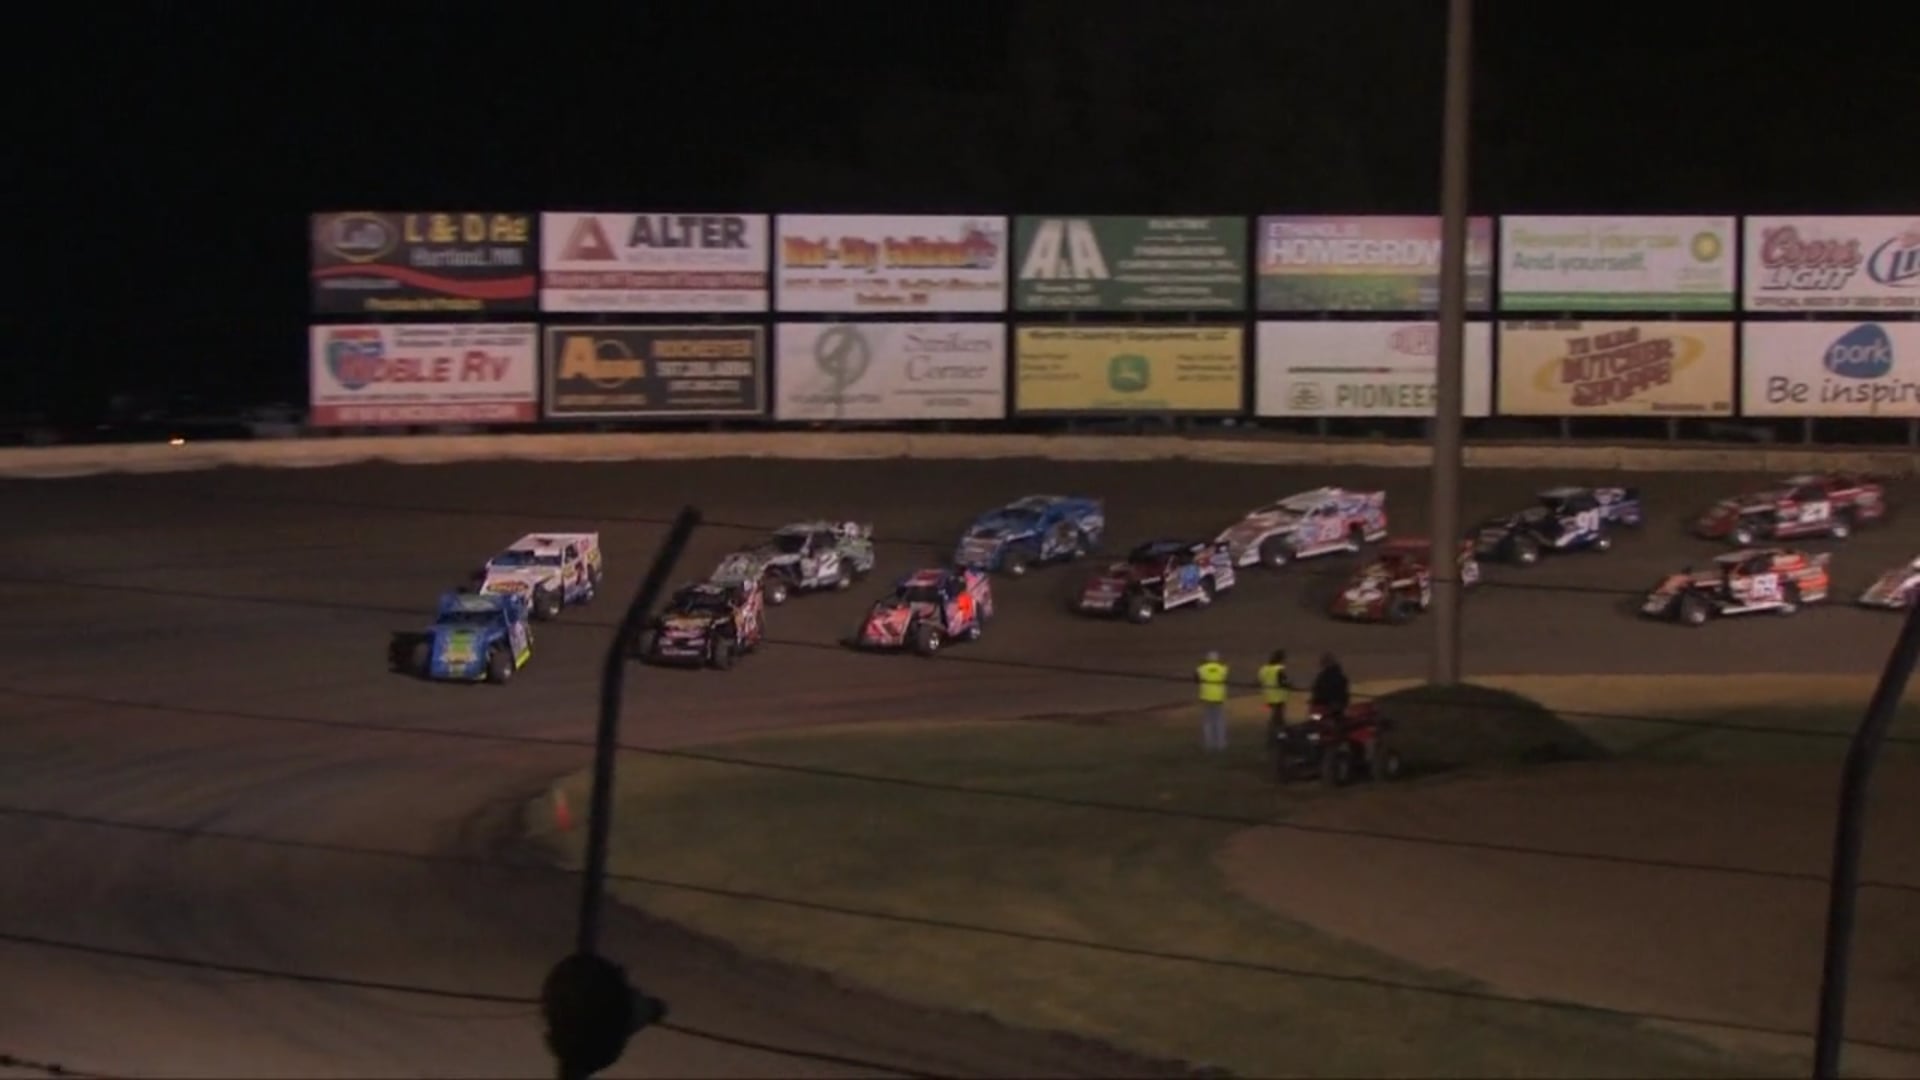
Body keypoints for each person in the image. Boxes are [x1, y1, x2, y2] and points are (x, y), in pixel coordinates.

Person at [1195, 650, 1230, 751]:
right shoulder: (1223, 669)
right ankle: (1221, 744)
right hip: (1219, 697)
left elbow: (1196, 678)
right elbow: (1226, 676)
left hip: (1206, 696)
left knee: (1208, 722)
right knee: (1220, 721)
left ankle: (1209, 744)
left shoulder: (1201, 669)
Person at [1257, 649, 1289, 749]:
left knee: (1278, 721)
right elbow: (1283, 682)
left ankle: (1280, 739)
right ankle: (1275, 741)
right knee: (1277, 721)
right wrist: (1290, 685)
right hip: (1278, 699)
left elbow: (1258, 682)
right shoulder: (1279, 669)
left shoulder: (1263, 669)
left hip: (1268, 698)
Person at [1310, 652, 1350, 725]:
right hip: (1323, 707)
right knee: (1317, 721)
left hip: (1329, 707)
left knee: (1319, 722)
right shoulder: (1324, 676)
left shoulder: (1333, 677)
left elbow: (1339, 693)